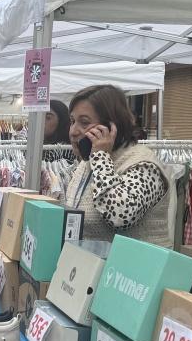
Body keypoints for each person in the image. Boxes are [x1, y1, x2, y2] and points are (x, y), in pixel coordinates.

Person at [64, 84, 173, 248]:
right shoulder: (86, 164)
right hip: (92, 268)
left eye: (84, 123)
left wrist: (100, 157)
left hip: (135, 269)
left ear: (111, 127)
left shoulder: (144, 164)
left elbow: (120, 215)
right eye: (72, 121)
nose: (73, 131)